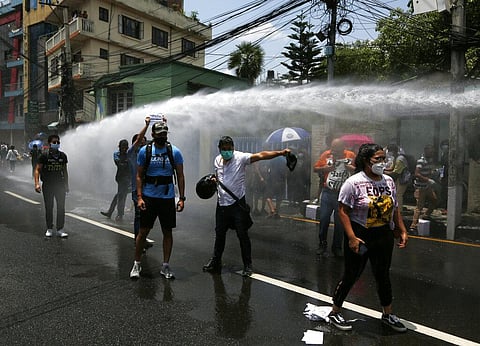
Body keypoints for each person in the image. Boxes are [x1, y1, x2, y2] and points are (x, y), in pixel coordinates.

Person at [327, 143, 408, 332]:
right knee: (352, 274)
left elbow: (394, 207)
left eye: (383, 158)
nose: (382, 162)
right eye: (377, 159)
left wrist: (401, 229)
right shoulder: (353, 183)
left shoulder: (388, 181)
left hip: (383, 235)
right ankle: (335, 312)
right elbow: (343, 211)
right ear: (365, 161)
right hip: (361, 234)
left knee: (383, 275)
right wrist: (351, 237)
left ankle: (388, 314)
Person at [202, 135, 291, 276]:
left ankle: (248, 265)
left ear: (233, 148)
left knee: (242, 235)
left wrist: (280, 153)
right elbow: (219, 176)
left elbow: (261, 155)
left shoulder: (241, 158)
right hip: (222, 204)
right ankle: (216, 261)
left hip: (237, 204)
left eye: (229, 149)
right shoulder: (217, 160)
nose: (227, 152)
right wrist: (214, 180)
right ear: (219, 149)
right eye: (224, 149)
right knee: (219, 235)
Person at [130, 121, 185, 280]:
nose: (162, 136)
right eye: (159, 133)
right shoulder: (144, 151)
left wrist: (181, 198)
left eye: (164, 133)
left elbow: (180, 176)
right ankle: (137, 263)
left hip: (167, 197)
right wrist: (139, 197)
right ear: (153, 135)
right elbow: (139, 176)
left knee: (167, 232)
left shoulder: (174, 152)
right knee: (143, 231)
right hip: (149, 197)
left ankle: (165, 266)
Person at [313, 138, 356, 257]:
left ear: (343, 148)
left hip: (342, 194)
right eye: (332, 149)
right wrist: (326, 169)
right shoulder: (326, 155)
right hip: (328, 192)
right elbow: (315, 168)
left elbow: (359, 171)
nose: (333, 152)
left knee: (340, 222)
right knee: (324, 218)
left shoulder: (351, 155)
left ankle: (337, 247)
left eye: (336, 150)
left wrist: (350, 168)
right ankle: (322, 244)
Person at [34, 135, 69, 238]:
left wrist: (67, 184)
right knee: (49, 207)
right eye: (54, 142)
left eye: (58, 142)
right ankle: (49, 228)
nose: (56, 144)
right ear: (49, 143)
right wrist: (36, 183)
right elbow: (37, 170)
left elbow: (65, 171)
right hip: (48, 185)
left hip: (60, 185)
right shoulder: (44, 156)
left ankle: (60, 229)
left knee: (61, 207)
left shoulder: (63, 156)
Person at [127, 116, 150, 246]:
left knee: (146, 216)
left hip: (149, 188)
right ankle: (138, 241)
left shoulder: (147, 153)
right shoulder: (132, 153)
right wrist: (146, 126)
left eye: (145, 141)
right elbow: (138, 142)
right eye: (141, 140)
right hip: (137, 189)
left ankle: (142, 239)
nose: (143, 143)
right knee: (139, 215)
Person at [409, 144, 438, 233]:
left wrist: (433, 172)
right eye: (430, 151)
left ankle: (426, 215)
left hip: (427, 186)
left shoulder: (430, 160)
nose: (432, 153)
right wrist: (428, 179)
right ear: (426, 151)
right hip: (420, 187)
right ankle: (413, 226)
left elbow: (429, 171)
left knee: (434, 200)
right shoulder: (421, 161)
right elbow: (417, 173)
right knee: (419, 207)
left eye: (433, 151)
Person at [101, 139, 131, 221]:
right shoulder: (116, 154)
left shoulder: (129, 155)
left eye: (125, 147)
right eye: (122, 147)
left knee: (120, 195)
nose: (124, 149)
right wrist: (126, 162)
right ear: (119, 147)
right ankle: (119, 214)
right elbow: (119, 164)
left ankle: (111, 212)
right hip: (121, 178)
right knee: (121, 195)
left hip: (129, 178)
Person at [384, 144, 409, 212]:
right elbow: (392, 168)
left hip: (403, 178)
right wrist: (383, 170)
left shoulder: (399, 159)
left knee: (399, 194)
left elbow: (395, 172)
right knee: (395, 193)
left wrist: (383, 172)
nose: (388, 152)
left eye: (389, 151)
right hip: (399, 178)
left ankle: (399, 211)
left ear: (392, 151)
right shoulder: (396, 157)